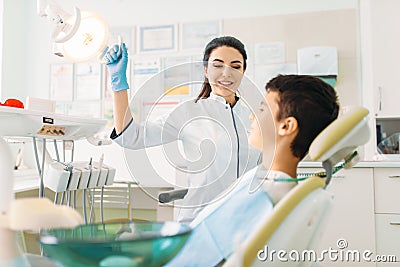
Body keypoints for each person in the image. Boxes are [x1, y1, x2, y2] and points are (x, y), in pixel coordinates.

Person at [165, 74, 340, 267]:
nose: (252, 116)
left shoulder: (263, 197)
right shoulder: (270, 184)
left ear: (286, 126)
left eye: (263, 109)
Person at [105, 36, 260, 223]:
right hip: (200, 220)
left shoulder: (255, 117)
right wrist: (118, 83)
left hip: (246, 219)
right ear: (206, 69)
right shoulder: (189, 112)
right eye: (218, 65)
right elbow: (132, 137)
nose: (226, 73)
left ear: (243, 71)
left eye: (235, 66)